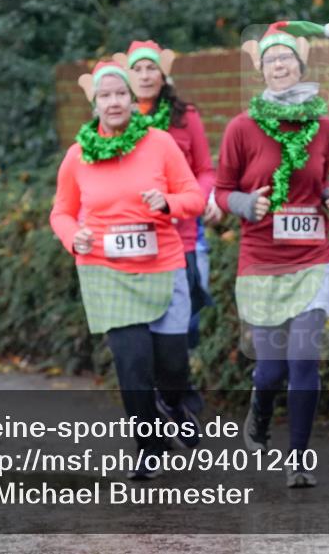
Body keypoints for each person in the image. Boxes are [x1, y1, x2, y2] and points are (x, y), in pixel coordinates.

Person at [50, 60, 205, 479]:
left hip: (163, 263)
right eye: (106, 95)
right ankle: (149, 448)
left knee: (172, 366)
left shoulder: (159, 143)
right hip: (104, 268)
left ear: (132, 100)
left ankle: (172, 405)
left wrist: (168, 203)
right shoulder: (77, 155)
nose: (114, 101)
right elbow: (61, 213)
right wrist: (73, 236)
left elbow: (193, 196)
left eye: (121, 94)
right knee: (133, 365)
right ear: (95, 103)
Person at [215, 20, 329, 488]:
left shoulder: (324, 126)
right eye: (272, 60)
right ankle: (259, 406)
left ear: (300, 65)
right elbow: (221, 191)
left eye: (287, 59)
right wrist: (246, 203)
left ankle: (299, 459)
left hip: (312, 257)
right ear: (262, 70)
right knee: (271, 371)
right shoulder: (242, 128)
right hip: (261, 259)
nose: (280, 67)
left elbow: (321, 182)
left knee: (304, 359)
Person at [115, 40, 216, 414]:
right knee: (143, 328)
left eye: (150, 68)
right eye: (137, 69)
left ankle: (173, 389)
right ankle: (164, 398)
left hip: (183, 234)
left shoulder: (184, 117)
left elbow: (205, 169)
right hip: (135, 240)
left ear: (162, 74)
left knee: (183, 324)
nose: (144, 76)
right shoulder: (117, 121)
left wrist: (202, 198)